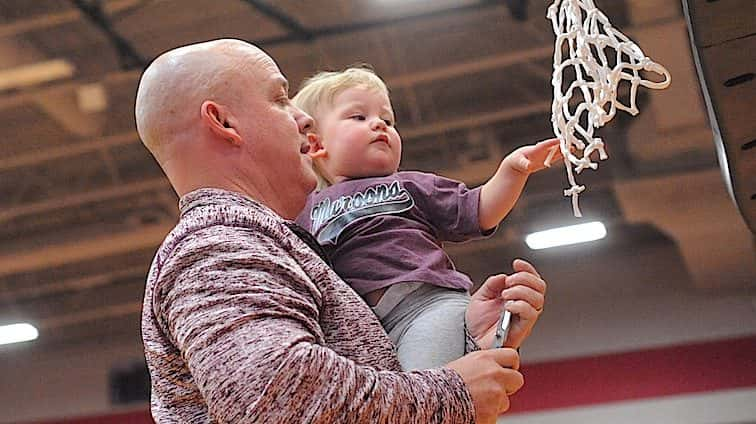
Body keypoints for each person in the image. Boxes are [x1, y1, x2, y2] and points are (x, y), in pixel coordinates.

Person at [135, 38, 546, 423]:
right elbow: (279, 398)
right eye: (280, 99)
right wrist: (449, 393)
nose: (303, 118)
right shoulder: (215, 245)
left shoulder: (260, 242)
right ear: (223, 121)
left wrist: (462, 341)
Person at [292, 67, 559, 370]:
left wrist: (512, 171)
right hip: (362, 327)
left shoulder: (410, 185)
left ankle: (467, 346)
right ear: (315, 145)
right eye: (358, 117)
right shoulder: (304, 209)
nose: (379, 124)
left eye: (388, 120)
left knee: (427, 389)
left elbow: (479, 209)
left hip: (429, 305)